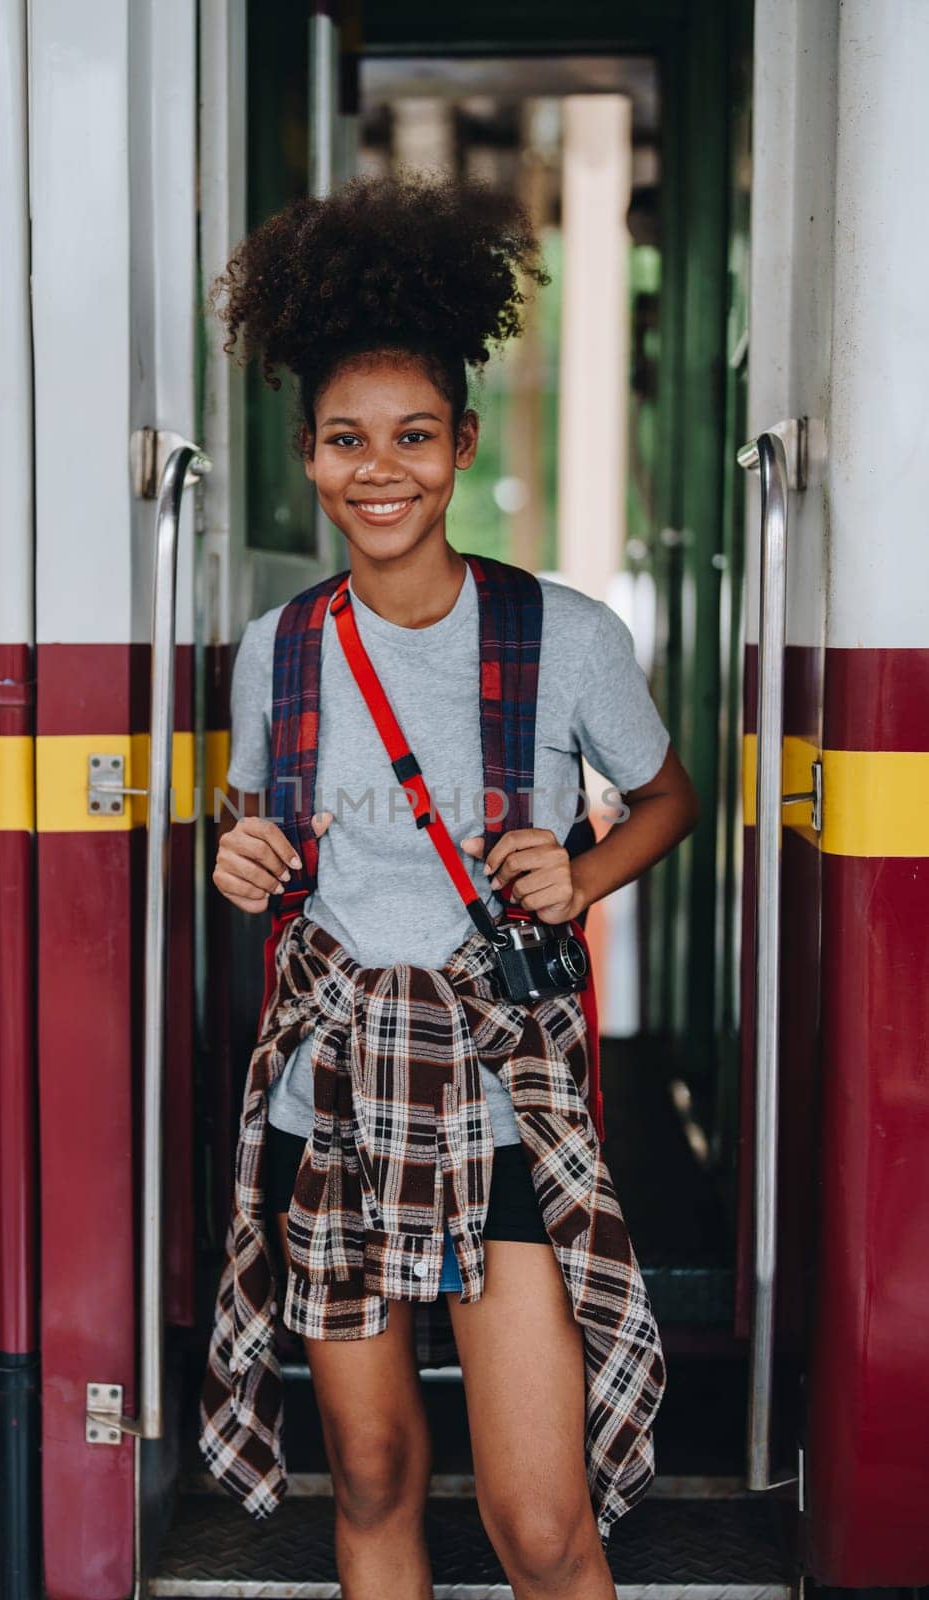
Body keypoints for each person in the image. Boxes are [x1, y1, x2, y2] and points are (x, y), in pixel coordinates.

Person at [200, 171, 699, 1600]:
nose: (381, 470)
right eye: (347, 441)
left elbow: (670, 800)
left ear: (462, 444)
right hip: (333, 1100)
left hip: (500, 1101)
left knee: (541, 1525)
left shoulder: (567, 636)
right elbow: (260, 835)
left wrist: (581, 865)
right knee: (368, 1475)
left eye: (413, 436)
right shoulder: (275, 650)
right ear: (306, 455)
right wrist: (237, 859)